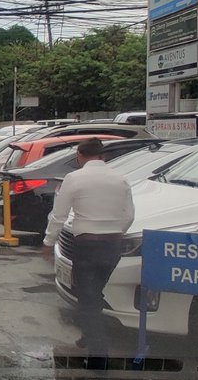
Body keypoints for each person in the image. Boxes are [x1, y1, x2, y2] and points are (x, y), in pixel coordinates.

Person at [43, 137, 135, 359]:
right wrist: (115, 232)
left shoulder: (73, 178)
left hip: (86, 245)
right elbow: (129, 215)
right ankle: (88, 335)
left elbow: (59, 215)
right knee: (94, 293)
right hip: (113, 245)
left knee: (87, 297)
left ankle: (98, 354)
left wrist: (48, 241)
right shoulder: (120, 179)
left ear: (79, 156)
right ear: (103, 156)